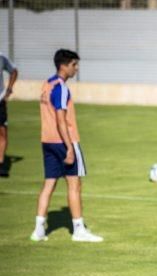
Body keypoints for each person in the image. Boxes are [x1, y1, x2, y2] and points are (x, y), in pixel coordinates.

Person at [30, 49, 103, 243]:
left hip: (47, 141)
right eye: (74, 65)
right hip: (64, 141)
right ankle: (78, 230)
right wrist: (70, 147)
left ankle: (38, 230)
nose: (76, 69)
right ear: (64, 65)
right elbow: (61, 118)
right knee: (74, 184)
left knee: (49, 184)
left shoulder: (47, 84)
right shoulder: (61, 87)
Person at [0, 52, 18, 177]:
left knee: (2, 132)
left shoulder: (1, 57)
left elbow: (14, 71)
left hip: (0, 101)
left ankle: (1, 164)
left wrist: (9, 90)